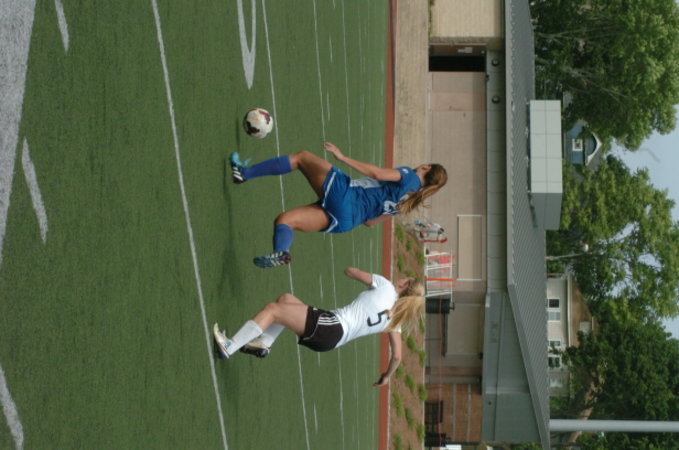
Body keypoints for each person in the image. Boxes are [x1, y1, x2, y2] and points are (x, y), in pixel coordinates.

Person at [229, 142, 447, 268]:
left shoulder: (410, 176)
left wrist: (343, 158)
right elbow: (370, 223)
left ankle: (243, 173)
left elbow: (377, 173)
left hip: (346, 197)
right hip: (347, 221)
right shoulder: (410, 201)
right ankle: (280, 252)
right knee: (285, 221)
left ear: (426, 167)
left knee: (302, 157)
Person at [213, 267, 425, 387]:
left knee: (272, 310)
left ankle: (229, 346)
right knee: (286, 300)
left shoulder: (386, 286)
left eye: (405, 278)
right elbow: (397, 356)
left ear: (404, 285)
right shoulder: (396, 321)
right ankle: (263, 343)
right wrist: (386, 376)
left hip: (331, 326)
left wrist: (364, 278)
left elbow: (351, 271)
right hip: (332, 340)